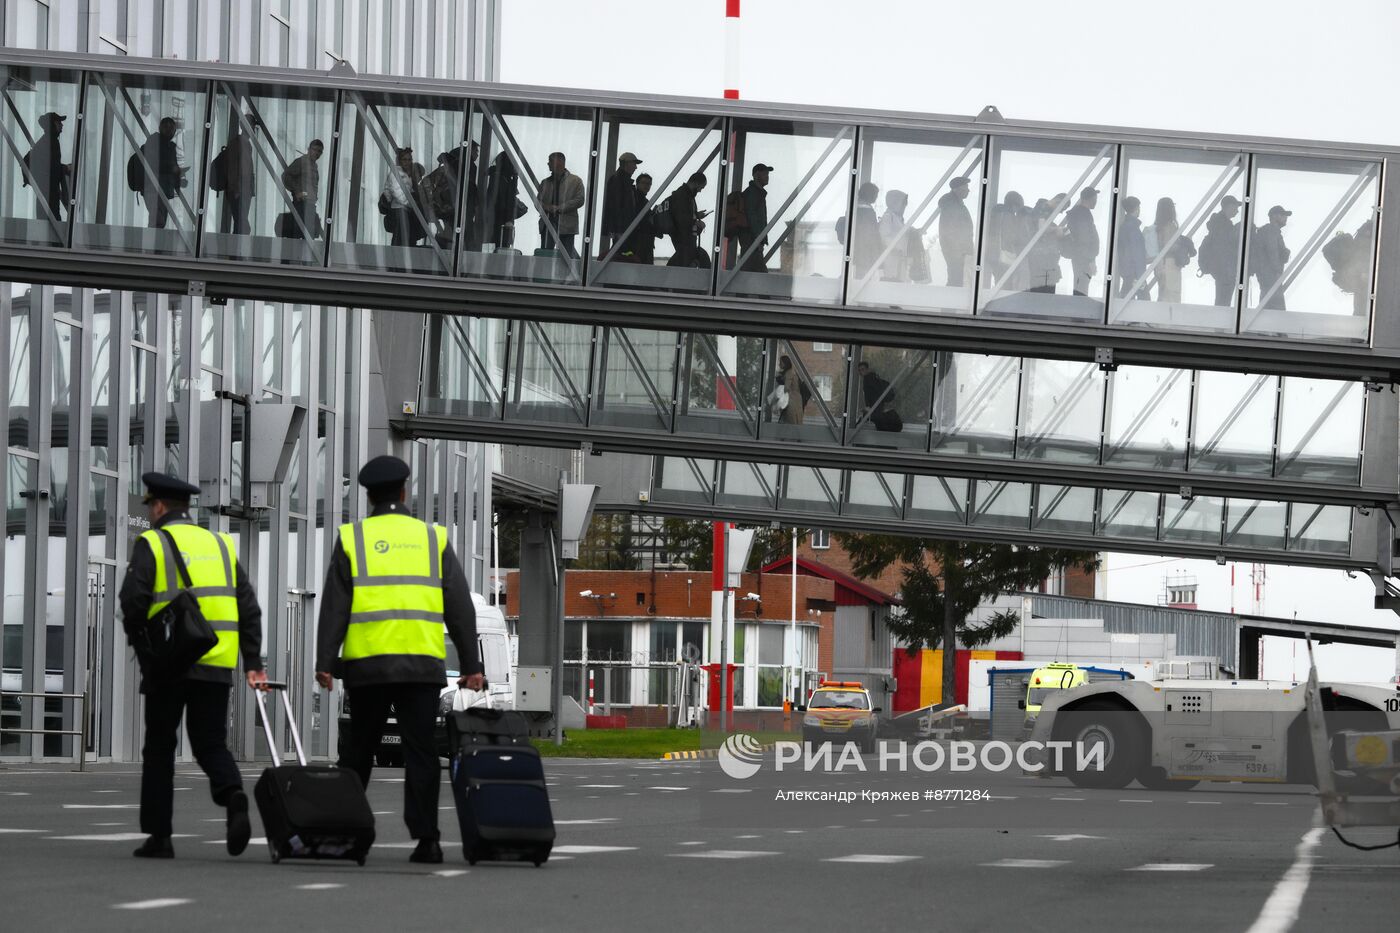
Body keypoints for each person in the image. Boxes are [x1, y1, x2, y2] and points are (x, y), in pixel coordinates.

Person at [315, 455, 485, 865]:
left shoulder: (353, 538)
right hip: (420, 668)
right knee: (421, 752)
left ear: (368, 495)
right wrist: (471, 666)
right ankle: (427, 840)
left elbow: (335, 606)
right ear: (405, 491)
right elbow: (459, 607)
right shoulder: (434, 539)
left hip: (367, 667)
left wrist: (325, 661)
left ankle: (351, 836)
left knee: (358, 753)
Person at [118, 472, 266, 860]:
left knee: (160, 747)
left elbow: (133, 602)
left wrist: (144, 648)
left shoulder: (152, 542)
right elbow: (248, 607)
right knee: (210, 742)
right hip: (215, 664)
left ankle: (160, 837)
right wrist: (252, 660)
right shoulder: (219, 544)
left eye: (150, 506)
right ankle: (233, 796)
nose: (150, 512)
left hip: (168, 664)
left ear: (161, 506)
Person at [139, 117, 187, 230]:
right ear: (160, 128)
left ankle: (155, 246)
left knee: (160, 221)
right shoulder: (154, 142)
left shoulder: (169, 146)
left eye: (171, 128)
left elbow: (170, 168)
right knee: (157, 221)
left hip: (163, 189)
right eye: (166, 127)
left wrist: (178, 182)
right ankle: (152, 246)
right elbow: (153, 164)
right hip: (154, 188)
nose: (169, 130)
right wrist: (173, 169)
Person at [22, 111, 70, 224]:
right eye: (59, 122)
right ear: (53, 124)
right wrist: (65, 168)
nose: (62, 125)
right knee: (52, 223)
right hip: (49, 191)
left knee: (48, 222)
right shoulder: (50, 142)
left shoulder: (47, 141)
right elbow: (51, 166)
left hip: (47, 190)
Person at [1147, 197, 1194, 303]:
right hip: (1170, 264)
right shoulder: (1170, 225)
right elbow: (1170, 246)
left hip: (1160, 264)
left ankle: (1158, 318)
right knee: (1172, 297)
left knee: (1163, 295)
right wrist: (1181, 244)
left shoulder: (1158, 227)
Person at [539, 151, 584, 259]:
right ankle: (547, 274)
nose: (548, 163)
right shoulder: (545, 182)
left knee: (567, 255)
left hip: (567, 225)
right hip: (548, 224)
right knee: (546, 255)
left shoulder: (575, 181)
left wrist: (559, 208)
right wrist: (546, 207)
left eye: (550, 161)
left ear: (560, 162)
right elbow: (538, 201)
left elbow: (580, 200)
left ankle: (573, 273)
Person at [1199, 195, 1242, 307]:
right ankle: (1219, 321)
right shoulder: (1223, 225)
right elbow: (1224, 250)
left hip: (1221, 270)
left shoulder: (1219, 223)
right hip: (1224, 270)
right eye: (1236, 207)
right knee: (1223, 302)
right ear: (1228, 206)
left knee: (1222, 301)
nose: (1237, 210)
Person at [216, 121, 256, 236]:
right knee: (242, 224)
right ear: (242, 126)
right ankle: (235, 250)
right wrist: (235, 188)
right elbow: (232, 167)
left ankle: (235, 250)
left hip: (244, 190)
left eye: (253, 126)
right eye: (249, 125)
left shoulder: (247, 144)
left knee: (241, 223)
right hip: (238, 190)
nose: (252, 128)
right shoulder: (236, 143)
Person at [382, 147, 426, 247]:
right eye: (404, 160)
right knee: (400, 239)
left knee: (404, 239)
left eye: (409, 159)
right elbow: (397, 196)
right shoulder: (399, 178)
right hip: (401, 214)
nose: (407, 162)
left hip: (408, 218)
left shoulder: (412, 183)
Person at [600, 151, 642, 256]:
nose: (636, 167)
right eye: (634, 164)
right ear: (626, 164)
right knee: (622, 253)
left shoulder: (622, 180)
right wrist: (619, 230)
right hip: (622, 229)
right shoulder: (617, 180)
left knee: (622, 252)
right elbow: (616, 206)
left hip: (623, 228)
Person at [281, 138, 324, 237]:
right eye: (315, 150)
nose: (317, 153)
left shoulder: (314, 166)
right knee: (300, 232)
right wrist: (297, 191)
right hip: (301, 203)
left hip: (310, 204)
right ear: (309, 149)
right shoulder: (301, 162)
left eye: (319, 151)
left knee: (309, 234)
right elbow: (286, 176)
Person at [666, 172, 710, 268]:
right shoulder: (683, 196)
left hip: (685, 238)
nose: (700, 191)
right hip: (684, 238)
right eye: (701, 187)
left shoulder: (685, 195)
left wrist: (696, 215)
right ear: (696, 183)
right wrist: (696, 222)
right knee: (687, 261)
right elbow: (681, 219)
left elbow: (683, 215)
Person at [988, 191, 1030, 291]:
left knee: (1000, 281)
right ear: (1014, 204)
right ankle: (1000, 305)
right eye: (1018, 206)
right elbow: (1011, 236)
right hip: (1004, 253)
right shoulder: (1007, 215)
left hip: (994, 253)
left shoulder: (996, 213)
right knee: (1006, 285)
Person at [1251, 205, 1291, 310]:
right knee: (1276, 312)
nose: (1285, 218)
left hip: (1268, 277)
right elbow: (1272, 251)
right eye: (1282, 215)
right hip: (1271, 277)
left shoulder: (1269, 231)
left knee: (1267, 310)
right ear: (1274, 216)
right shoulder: (1271, 230)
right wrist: (1278, 272)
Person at [938, 176, 976, 286]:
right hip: (956, 250)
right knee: (956, 279)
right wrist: (960, 249)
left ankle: (951, 300)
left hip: (957, 250)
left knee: (957, 277)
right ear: (957, 189)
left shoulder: (954, 204)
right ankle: (950, 300)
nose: (968, 190)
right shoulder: (952, 205)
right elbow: (952, 230)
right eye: (965, 188)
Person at [1062, 187, 1100, 296]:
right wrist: (1091, 260)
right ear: (1089, 199)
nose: (1096, 201)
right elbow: (1084, 239)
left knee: (1080, 285)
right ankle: (1080, 310)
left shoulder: (1079, 213)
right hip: (1083, 258)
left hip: (1080, 257)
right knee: (1082, 288)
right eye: (1095, 198)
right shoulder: (1082, 215)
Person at [736, 163, 772, 272]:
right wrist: (759, 239)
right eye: (764, 174)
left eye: (767, 174)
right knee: (757, 273)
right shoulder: (753, 193)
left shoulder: (756, 193)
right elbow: (752, 217)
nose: (767, 177)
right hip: (751, 239)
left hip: (752, 239)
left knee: (751, 271)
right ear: (756, 175)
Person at [1026, 198, 1064, 294]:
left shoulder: (1039, 213)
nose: (1061, 212)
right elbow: (1042, 229)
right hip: (1043, 260)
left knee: (1041, 291)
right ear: (1057, 203)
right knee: (1043, 293)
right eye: (1062, 208)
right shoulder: (1043, 210)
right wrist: (1056, 230)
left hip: (1044, 261)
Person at [483, 151, 519, 248]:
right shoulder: (499, 177)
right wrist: (508, 218)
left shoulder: (501, 177)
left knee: (501, 244)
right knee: (502, 244)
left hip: (499, 218)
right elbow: (507, 200)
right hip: (501, 218)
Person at [1114, 196, 1148, 299]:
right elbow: (1136, 252)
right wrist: (1140, 275)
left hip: (1128, 271)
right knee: (1145, 301)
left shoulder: (1125, 226)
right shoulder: (1132, 228)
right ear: (1136, 208)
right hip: (1134, 272)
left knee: (1126, 297)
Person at [857, 361, 903, 432]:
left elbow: (875, 395)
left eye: (863, 369)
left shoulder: (869, 379)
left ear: (867, 369)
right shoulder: (873, 378)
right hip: (877, 409)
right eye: (859, 370)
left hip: (876, 410)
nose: (861, 372)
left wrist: (869, 408)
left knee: (858, 428)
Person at [622, 172, 656, 264]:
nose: (646, 186)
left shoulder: (644, 201)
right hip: (636, 243)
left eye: (649, 184)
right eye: (644, 183)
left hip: (643, 242)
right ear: (637, 184)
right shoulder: (632, 198)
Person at [878, 189, 911, 281]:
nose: (904, 207)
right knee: (892, 281)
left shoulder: (898, 218)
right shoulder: (888, 217)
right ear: (895, 203)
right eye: (903, 204)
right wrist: (897, 248)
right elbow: (884, 236)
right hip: (891, 257)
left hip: (900, 257)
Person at [771, 354, 805, 425]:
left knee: (791, 422)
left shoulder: (789, 372)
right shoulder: (791, 372)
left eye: (781, 362)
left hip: (792, 400)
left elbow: (786, 388)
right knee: (793, 421)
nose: (779, 364)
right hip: (795, 400)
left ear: (785, 363)